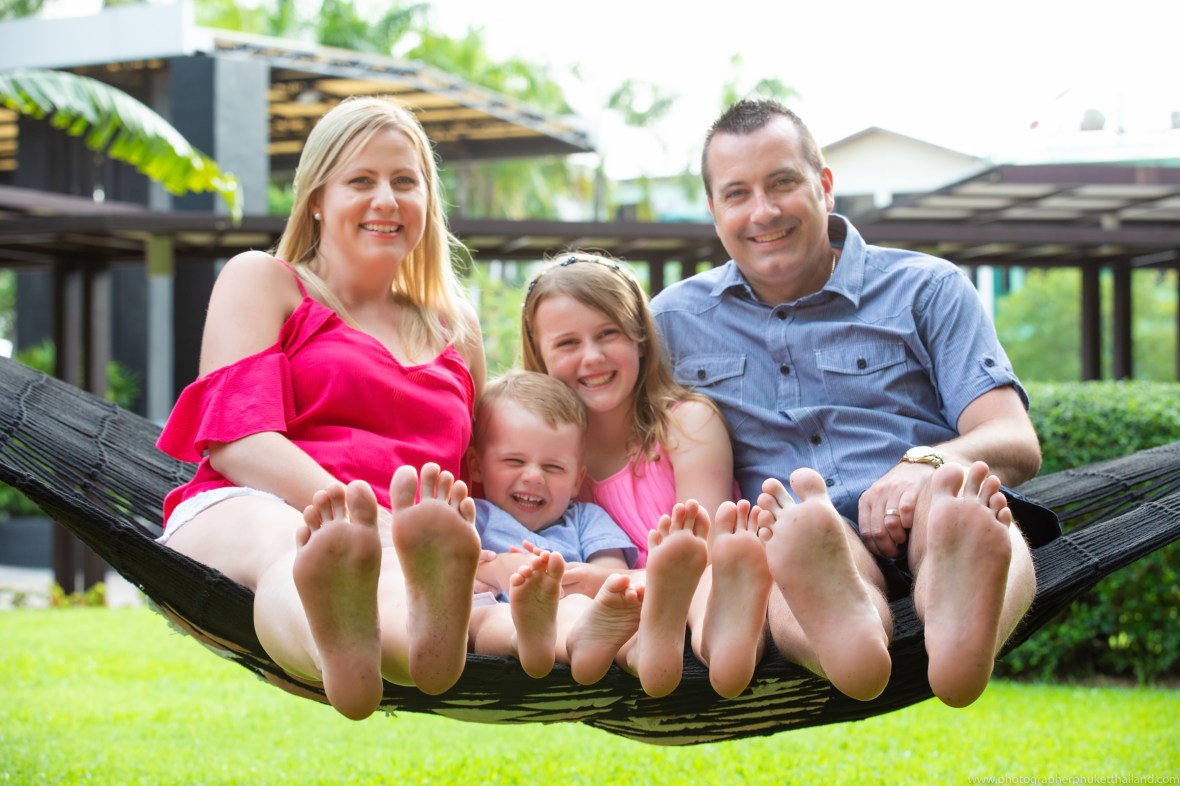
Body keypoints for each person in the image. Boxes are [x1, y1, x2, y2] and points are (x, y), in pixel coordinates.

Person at [649, 99, 1057, 708]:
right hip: (801, 536)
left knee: (965, 513)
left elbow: (1013, 439)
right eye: (738, 194)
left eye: (782, 182)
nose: (763, 211)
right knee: (792, 545)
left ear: (825, 185)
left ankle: (956, 631)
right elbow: (588, 421)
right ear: (714, 211)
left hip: (928, 512)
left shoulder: (927, 288)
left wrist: (919, 466)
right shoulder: (673, 322)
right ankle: (853, 632)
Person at [155, 95, 489, 721]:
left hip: (403, 550)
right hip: (252, 505)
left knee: (387, 571)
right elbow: (239, 439)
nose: (386, 200)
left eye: (404, 182)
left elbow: (475, 471)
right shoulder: (266, 281)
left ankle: (419, 645)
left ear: (427, 201)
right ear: (316, 197)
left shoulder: (456, 328)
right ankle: (336, 647)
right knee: (298, 546)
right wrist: (364, 518)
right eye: (360, 181)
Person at [520, 253, 774, 698]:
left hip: (701, 584)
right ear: (539, 356)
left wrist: (609, 580)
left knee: (711, 580)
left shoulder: (686, 424)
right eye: (567, 344)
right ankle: (646, 649)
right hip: (608, 608)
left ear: (639, 337)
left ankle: (722, 646)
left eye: (608, 334)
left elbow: (708, 549)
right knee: (586, 609)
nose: (592, 357)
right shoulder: (541, 460)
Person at [461, 369, 644, 683]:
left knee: (587, 607)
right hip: (499, 614)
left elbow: (615, 579)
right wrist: (502, 569)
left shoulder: (586, 519)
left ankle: (638, 654)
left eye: (553, 467)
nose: (533, 477)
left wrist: (581, 579)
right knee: (483, 617)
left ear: (577, 480)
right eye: (514, 461)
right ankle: (530, 639)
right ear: (477, 466)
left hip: (578, 616)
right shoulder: (473, 516)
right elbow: (455, 575)